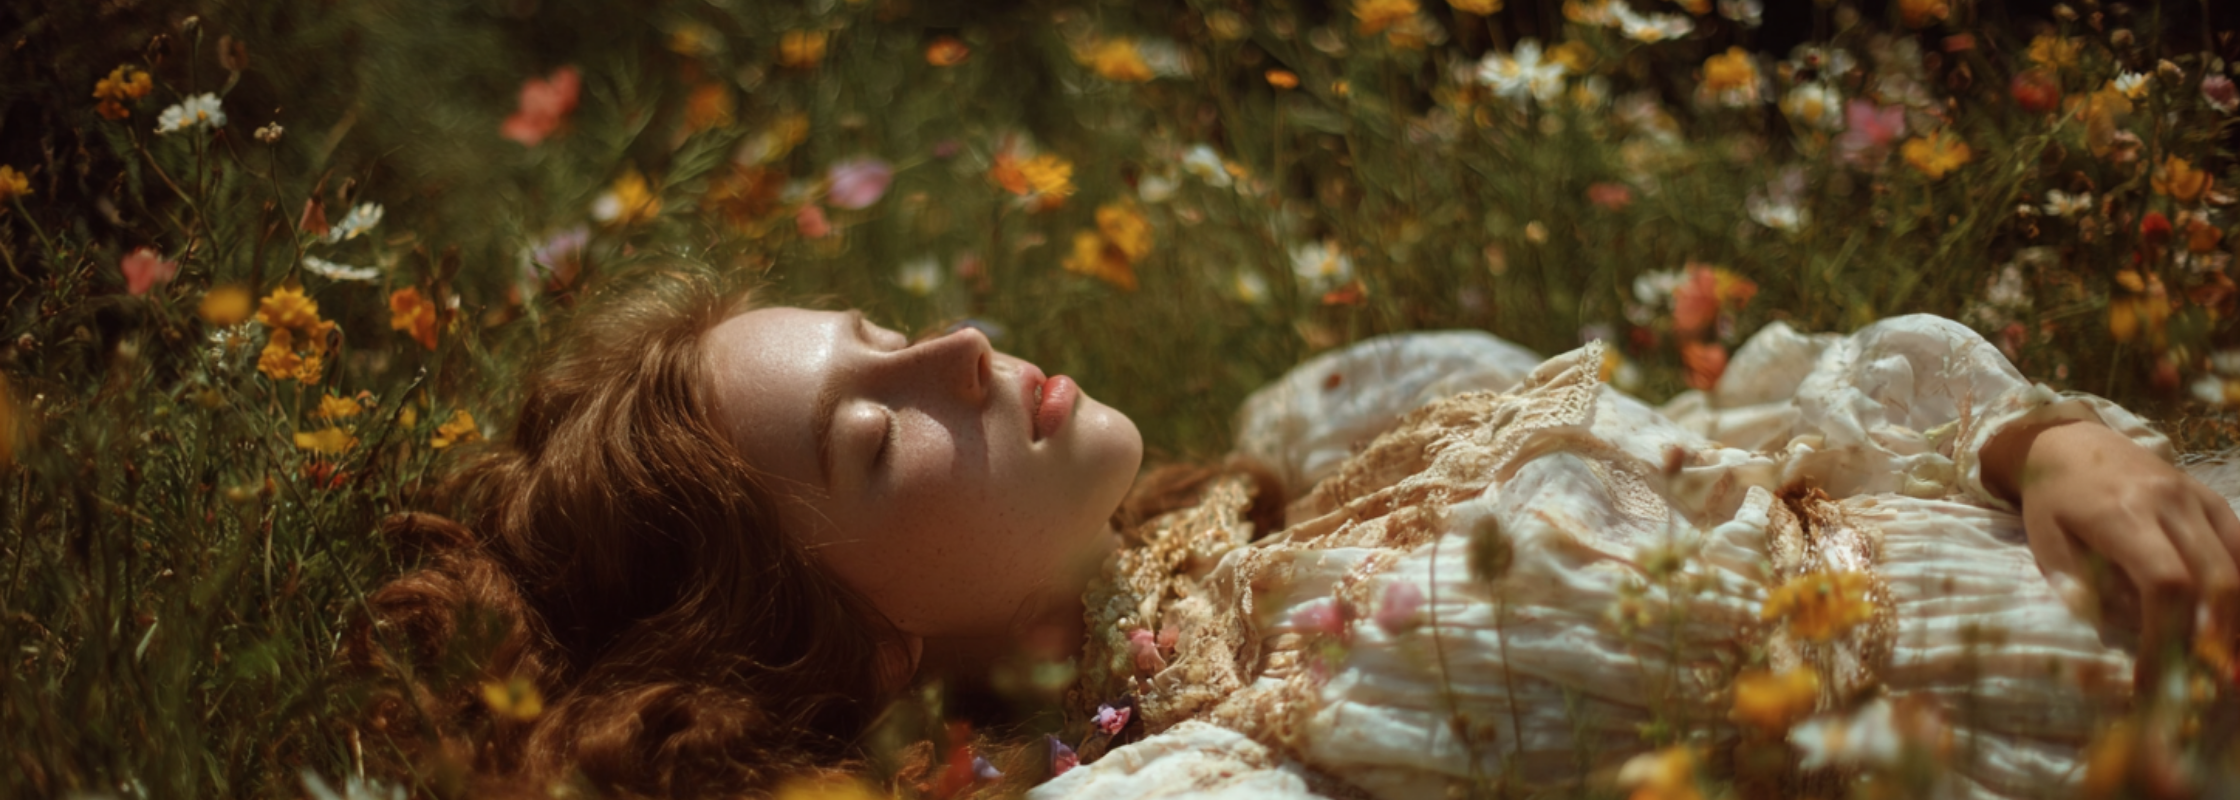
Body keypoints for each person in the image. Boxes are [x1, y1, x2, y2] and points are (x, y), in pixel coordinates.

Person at [357, 268, 2239, 799]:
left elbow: (1755, 402)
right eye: (873, 428)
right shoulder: (1182, 773)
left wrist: (2036, 435)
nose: (956, 346)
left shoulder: (1309, 453)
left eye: (881, 326)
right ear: (858, 651)